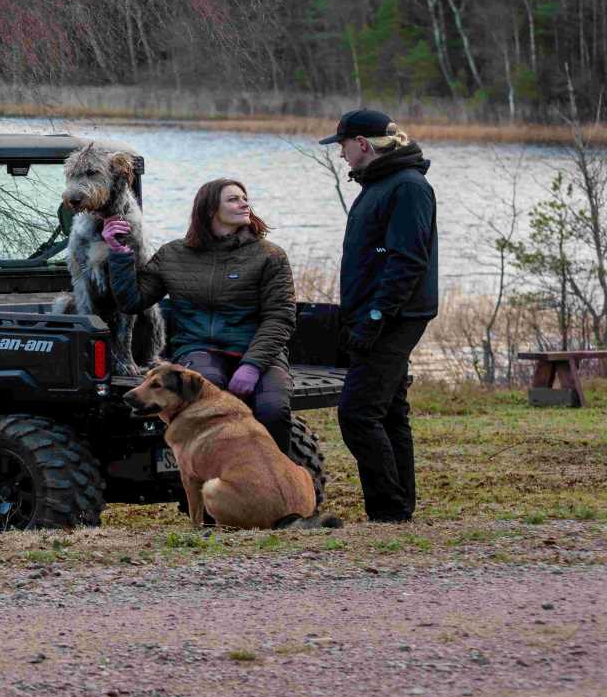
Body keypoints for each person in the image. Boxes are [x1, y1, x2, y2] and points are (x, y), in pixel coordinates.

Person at [102, 178, 297, 450]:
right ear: (209, 210)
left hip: (259, 352)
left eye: (244, 197)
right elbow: (132, 301)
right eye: (233, 199)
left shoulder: (270, 255)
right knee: (203, 401)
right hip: (199, 349)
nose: (244, 203)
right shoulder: (173, 254)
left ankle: (277, 482)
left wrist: (251, 365)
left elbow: (280, 317)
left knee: (273, 410)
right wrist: (119, 253)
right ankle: (205, 479)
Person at [319, 108, 437, 524]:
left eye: (343, 146)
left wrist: (374, 317)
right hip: (381, 314)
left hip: (394, 318)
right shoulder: (381, 184)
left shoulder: (407, 186)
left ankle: (387, 509)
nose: (341, 155)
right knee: (388, 411)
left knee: (357, 412)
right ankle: (398, 507)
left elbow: (407, 261)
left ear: (363, 144)